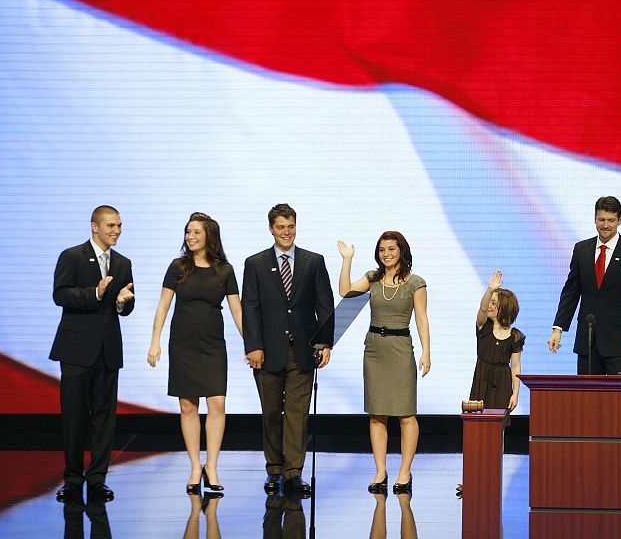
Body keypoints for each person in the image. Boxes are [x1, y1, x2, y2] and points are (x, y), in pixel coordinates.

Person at [242, 204, 334, 497]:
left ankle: (294, 472)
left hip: (303, 351)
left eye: (290, 226)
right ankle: (274, 469)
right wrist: (253, 346)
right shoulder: (255, 263)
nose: (286, 232)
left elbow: (324, 305)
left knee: (297, 414)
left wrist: (324, 343)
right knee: (271, 412)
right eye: (281, 227)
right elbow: (250, 308)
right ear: (271, 228)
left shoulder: (313, 261)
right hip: (266, 352)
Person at [147, 212, 242, 494]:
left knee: (217, 404)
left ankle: (211, 466)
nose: (190, 236)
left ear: (209, 235)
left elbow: (237, 311)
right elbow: (163, 306)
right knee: (188, 405)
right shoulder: (178, 267)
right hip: (183, 344)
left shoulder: (225, 270)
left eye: (196, 232)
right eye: (188, 232)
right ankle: (194, 466)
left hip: (212, 345)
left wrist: (252, 344)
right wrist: (155, 341)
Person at [50, 205, 135, 502]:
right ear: (94, 227)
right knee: (74, 418)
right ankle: (72, 480)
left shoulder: (123, 263)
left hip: (108, 351)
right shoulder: (72, 256)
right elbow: (60, 294)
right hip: (75, 351)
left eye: (120, 226)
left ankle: (97, 480)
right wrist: (95, 293)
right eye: (111, 225)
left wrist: (123, 302)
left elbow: (125, 307)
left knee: (104, 418)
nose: (116, 231)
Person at [337, 231, 431, 495]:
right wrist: (347, 259)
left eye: (391, 249)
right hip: (375, 349)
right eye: (382, 250)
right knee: (377, 413)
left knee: (405, 413)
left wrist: (427, 352)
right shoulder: (372, 278)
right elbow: (345, 291)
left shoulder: (416, 283)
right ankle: (380, 471)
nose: (386, 254)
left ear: (402, 250)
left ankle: (404, 471)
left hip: (401, 348)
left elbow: (422, 319)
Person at [547, 196, 621, 375]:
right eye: (601, 219)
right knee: (587, 400)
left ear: (619, 220)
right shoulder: (582, 249)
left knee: (619, 401)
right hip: (587, 340)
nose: (605, 225)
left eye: (611, 220)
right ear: (595, 219)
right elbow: (571, 292)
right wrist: (558, 328)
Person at [470, 270, 524, 417]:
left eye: (494, 303)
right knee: (476, 424)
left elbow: (516, 366)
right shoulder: (484, 326)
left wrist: (516, 394)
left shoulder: (515, 336)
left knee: (498, 426)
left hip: (502, 385)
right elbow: (482, 308)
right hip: (481, 381)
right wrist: (490, 290)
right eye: (490, 302)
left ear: (504, 308)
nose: (489, 306)